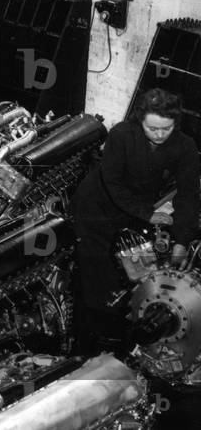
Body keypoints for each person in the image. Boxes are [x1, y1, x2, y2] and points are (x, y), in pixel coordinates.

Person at [71, 88, 200, 355]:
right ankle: (87, 342)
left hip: (136, 207)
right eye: (153, 128)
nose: (160, 134)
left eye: (167, 128)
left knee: (132, 267)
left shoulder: (184, 146)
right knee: (95, 274)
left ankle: (126, 332)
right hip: (97, 205)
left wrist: (181, 240)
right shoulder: (121, 134)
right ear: (140, 121)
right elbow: (113, 183)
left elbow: (188, 197)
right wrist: (148, 214)